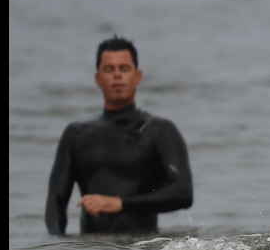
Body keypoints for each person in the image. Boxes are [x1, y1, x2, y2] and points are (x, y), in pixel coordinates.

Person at [45, 35, 193, 235]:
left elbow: (183, 192)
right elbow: (56, 200)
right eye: (109, 69)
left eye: (124, 69)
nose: (117, 75)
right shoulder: (77, 134)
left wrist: (120, 203)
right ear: (98, 79)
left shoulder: (159, 130)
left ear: (137, 76)